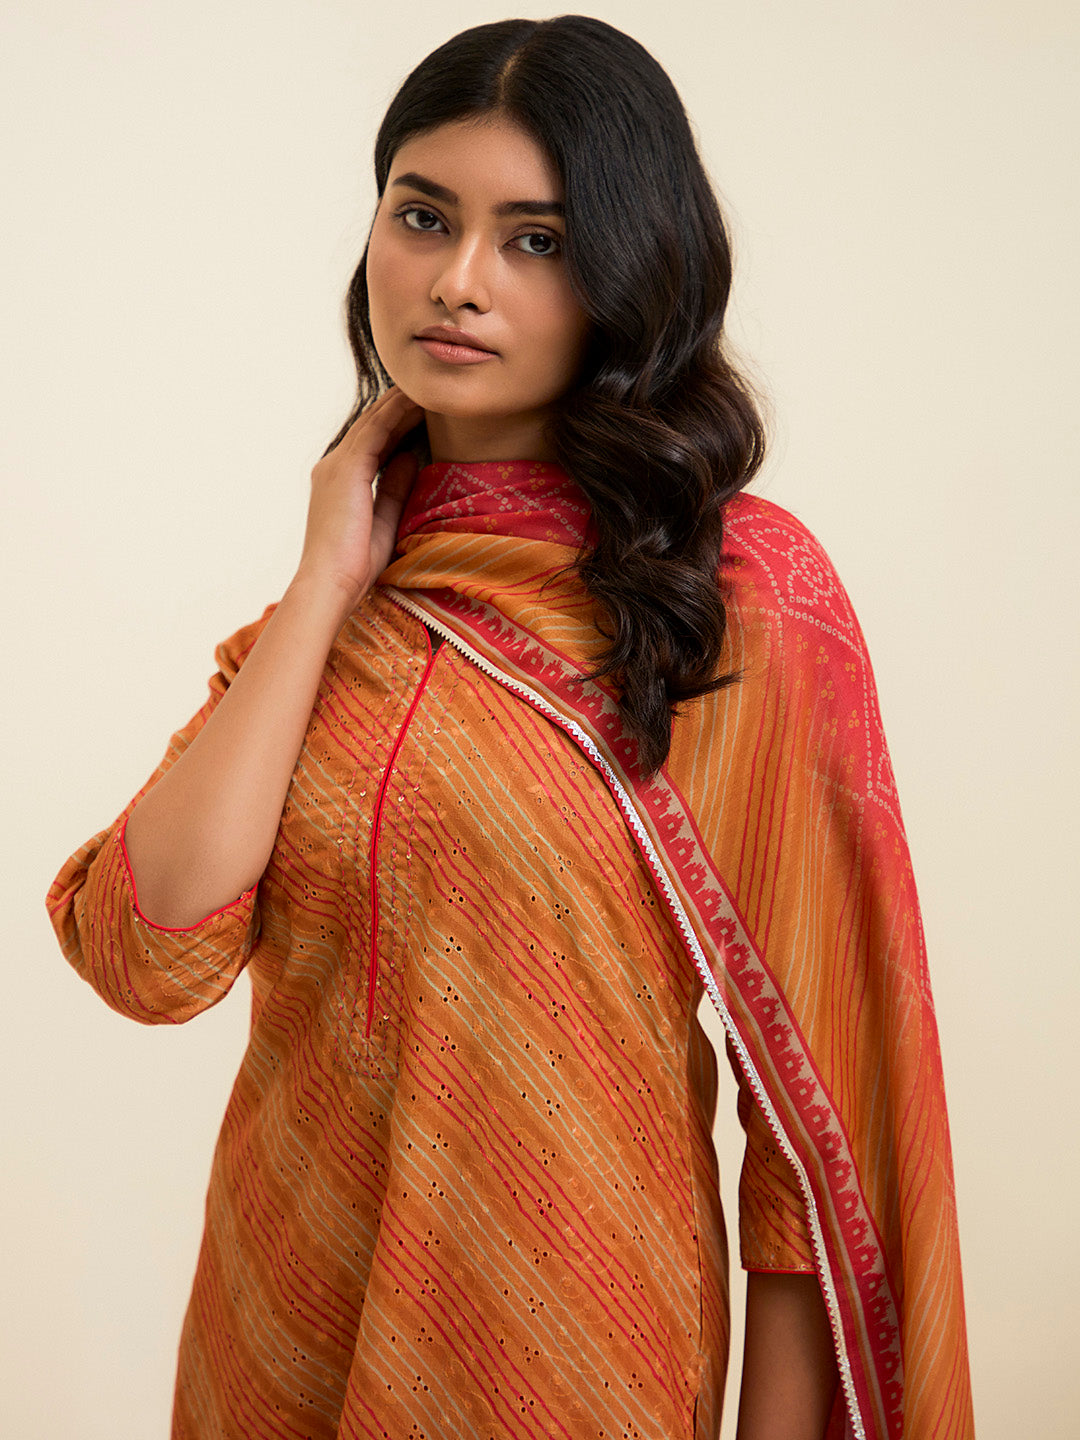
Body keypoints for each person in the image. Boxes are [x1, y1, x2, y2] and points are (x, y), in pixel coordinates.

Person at [46, 16, 973, 1440]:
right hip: (280, 1347)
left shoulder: (731, 602)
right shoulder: (328, 624)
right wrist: (324, 583)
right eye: (423, 217)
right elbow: (146, 953)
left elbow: (816, 1122)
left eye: (536, 241)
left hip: (577, 1359)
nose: (459, 281)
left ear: (627, 274)